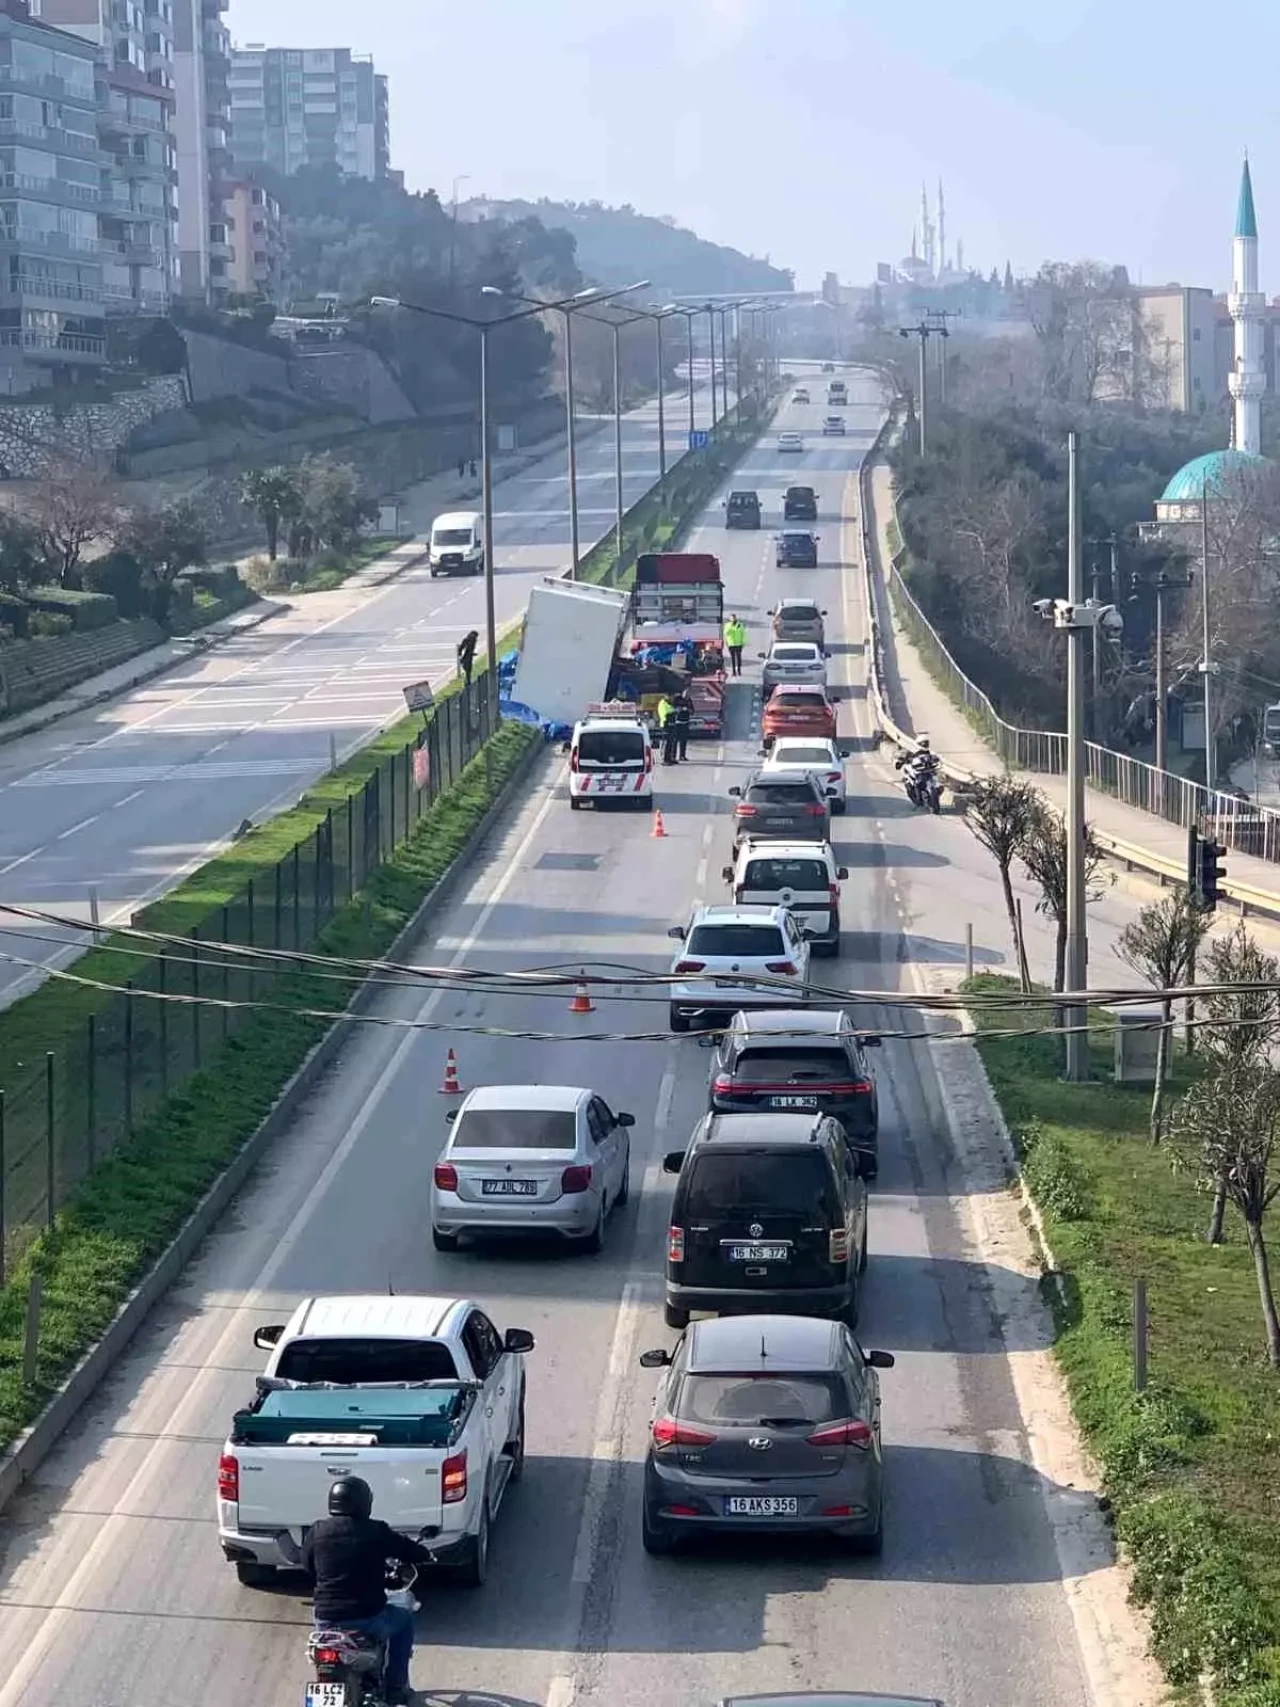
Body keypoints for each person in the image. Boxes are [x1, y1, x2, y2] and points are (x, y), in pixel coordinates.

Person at [283, 1475, 431, 1706]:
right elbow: (406, 1548)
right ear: (364, 1503)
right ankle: (396, 1687)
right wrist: (425, 1555)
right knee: (403, 1621)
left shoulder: (317, 1530)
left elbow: (308, 1564)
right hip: (366, 1618)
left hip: (326, 1623)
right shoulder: (376, 1530)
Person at [673, 689, 692, 761]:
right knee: (675, 740)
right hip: (678, 723)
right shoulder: (677, 699)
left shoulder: (689, 700)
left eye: (688, 694)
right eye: (686, 694)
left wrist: (688, 709)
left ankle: (682, 756)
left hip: (685, 722)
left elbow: (692, 710)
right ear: (683, 693)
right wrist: (681, 709)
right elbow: (674, 709)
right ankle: (673, 755)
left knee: (683, 741)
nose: (687, 695)